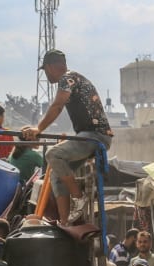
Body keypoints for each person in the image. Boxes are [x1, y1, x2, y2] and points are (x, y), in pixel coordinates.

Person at [23, 49, 113, 225]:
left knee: (53, 154)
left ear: (51, 67)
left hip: (96, 136)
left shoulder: (68, 78)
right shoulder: (73, 79)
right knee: (57, 173)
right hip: (87, 136)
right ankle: (65, 222)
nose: (47, 75)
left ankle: (78, 197)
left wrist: (38, 128)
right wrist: (36, 129)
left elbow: (57, 106)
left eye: (46, 70)